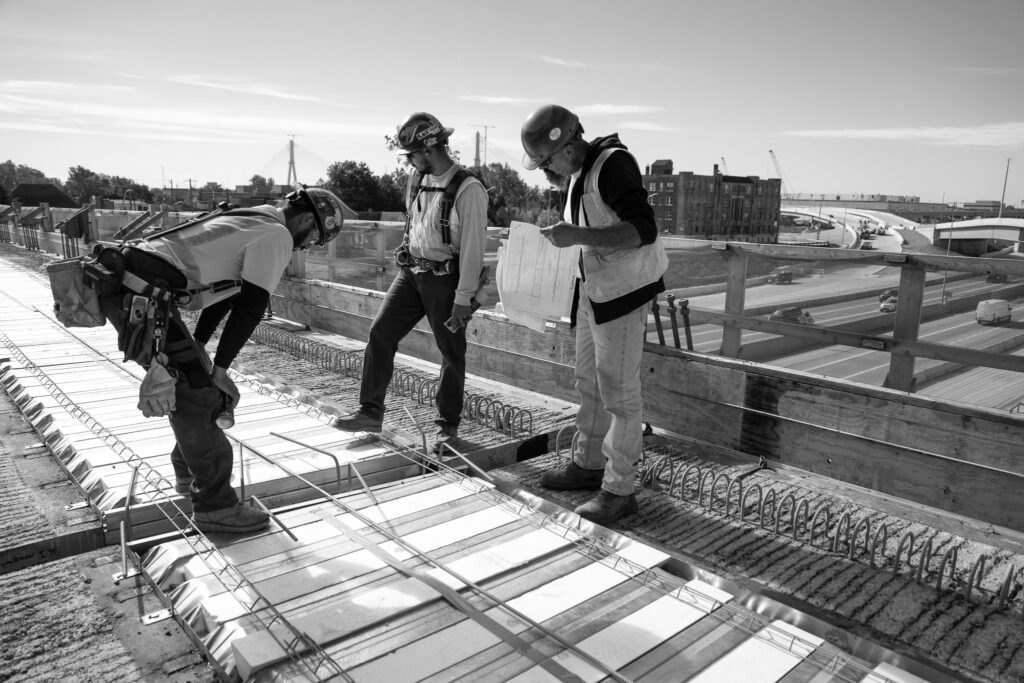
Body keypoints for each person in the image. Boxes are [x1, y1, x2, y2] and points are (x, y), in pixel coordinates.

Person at [95, 185, 346, 533]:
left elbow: (227, 294)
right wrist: (220, 370)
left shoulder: (254, 217)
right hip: (142, 294)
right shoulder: (277, 236)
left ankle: (188, 474)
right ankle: (216, 508)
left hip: (134, 287)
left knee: (191, 386)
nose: (305, 246)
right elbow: (252, 306)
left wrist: (200, 345)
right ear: (306, 220)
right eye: (313, 238)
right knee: (199, 396)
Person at [520, 104, 668, 525]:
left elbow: (643, 229)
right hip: (594, 293)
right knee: (589, 382)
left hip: (623, 293)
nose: (546, 171)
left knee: (620, 395)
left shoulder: (613, 165)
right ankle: (589, 464)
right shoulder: (578, 174)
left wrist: (577, 235)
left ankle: (620, 490)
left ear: (566, 147)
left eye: (545, 163)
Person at [335, 112, 488, 453]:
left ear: (429, 150)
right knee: (380, 333)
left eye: (412, 154)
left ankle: (447, 428)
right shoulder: (416, 179)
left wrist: (463, 298)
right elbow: (416, 221)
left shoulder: (469, 189)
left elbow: (474, 249)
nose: (409, 161)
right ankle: (370, 412)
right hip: (411, 274)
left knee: (451, 353)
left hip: (446, 281)